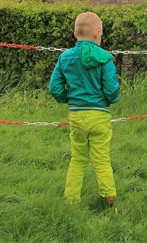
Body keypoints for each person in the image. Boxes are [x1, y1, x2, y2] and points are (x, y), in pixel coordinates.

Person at [49, 12, 120, 207]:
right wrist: (111, 99)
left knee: (78, 160)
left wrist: (68, 98)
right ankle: (108, 198)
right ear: (97, 33)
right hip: (100, 116)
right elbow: (112, 89)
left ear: (74, 34)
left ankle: (71, 200)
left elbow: (54, 87)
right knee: (102, 159)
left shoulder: (65, 58)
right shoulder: (105, 58)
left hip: (77, 115)